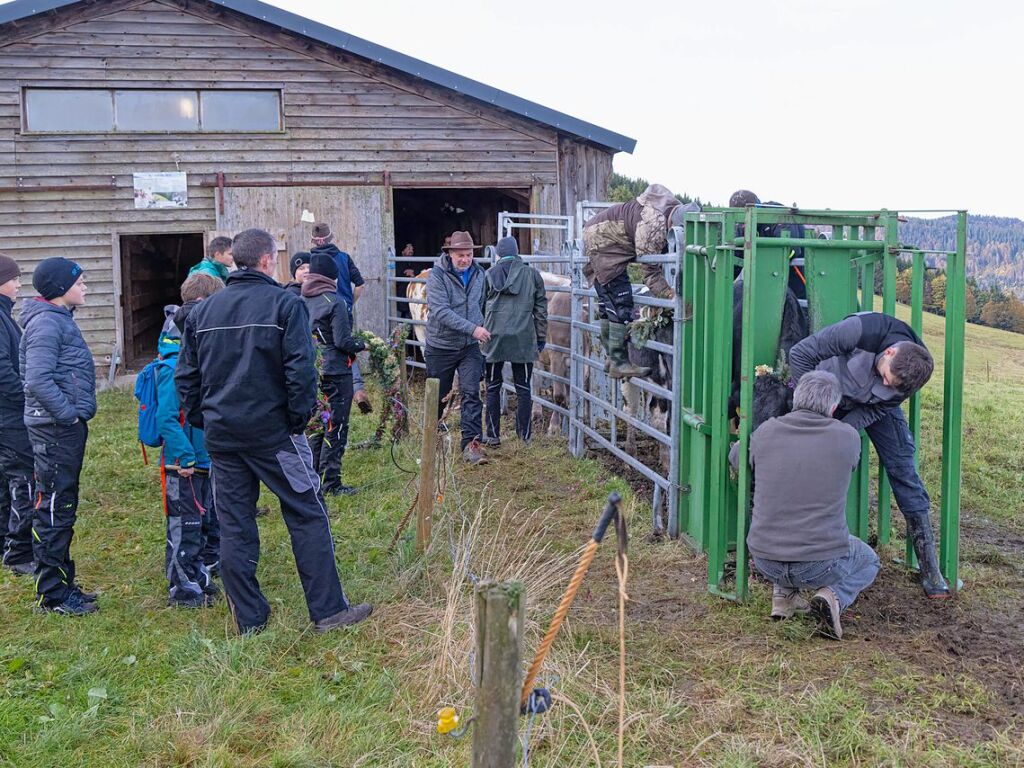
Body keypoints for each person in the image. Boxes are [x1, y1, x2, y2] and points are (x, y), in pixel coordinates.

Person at [175, 228, 371, 635]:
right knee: (307, 512)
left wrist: (204, 420)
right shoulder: (285, 304)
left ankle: (250, 618)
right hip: (273, 434)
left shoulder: (205, 311)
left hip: (224, 436)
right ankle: (328, 610)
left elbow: (187, 379)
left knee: (234, 524)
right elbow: (300, 371)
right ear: (267, 260)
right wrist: (296, 421)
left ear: (235, 260)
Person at [788, 311, 947, 599]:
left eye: (892, 386)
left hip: (870, 408)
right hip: (827, 393)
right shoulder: (859, 331)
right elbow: (801, 354)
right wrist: (811, 414)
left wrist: (844, 431)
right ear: (888, 352)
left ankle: (931, 571)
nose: (887, 385)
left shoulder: (908, 377)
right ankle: (800, 556)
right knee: (806, 458)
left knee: (904, 469)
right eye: (887, 378)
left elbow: (877, 407)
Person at [739, 371, 879, 640]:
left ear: (794, 398)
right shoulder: (848, 437)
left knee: (786, 518)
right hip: (819, 565)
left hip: (764, 559)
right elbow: (852, 463)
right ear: (834, 407)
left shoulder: (766, 431)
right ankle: (832, 596)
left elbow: (738, 458)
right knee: (869, 560)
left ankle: (783, 597)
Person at [20, 257, 97, 616]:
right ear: (59, 288)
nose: (85, 286)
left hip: (61, 428)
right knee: (53, 508)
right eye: (79, 281)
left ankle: (62, 582)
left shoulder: (59, 319)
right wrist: (68, 415)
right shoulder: (48, 324)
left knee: (62, 502)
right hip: (54, 429)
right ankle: (53, 595)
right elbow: (37, 379)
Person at [155, 279, 223, 608]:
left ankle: (196, 574)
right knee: (185, 524)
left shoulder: (195, 353)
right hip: (183, 464)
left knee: (201, 520)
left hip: (202, 457)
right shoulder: (172, 366)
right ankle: (181, 589)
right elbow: (167, 418)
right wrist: (184, 456)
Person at [583, 183, 679, 378]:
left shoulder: (663, 208)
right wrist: (669, 294)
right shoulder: (654, 224)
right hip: (607, 246)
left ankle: (612, 356)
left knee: (607, 304)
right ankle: (620, 362)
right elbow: (650, 271)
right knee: (622, 302)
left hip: (599, 237)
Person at [171, 274, 223, 576]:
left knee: (204, 501)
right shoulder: (194, 329)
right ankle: (188, 571)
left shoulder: (179, 325)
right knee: (194, 505)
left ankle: (206, 557)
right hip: (194, 436)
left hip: (200, 429)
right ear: (204, 302)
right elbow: (185, 383)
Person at [302, 252, 365, 495]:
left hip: (313, 369)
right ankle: (332, 482)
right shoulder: (334, 301)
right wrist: (362, 344)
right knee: (336, 425)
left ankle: (313, 477)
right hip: (337, 371)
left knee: (317, 423)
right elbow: (342, 341)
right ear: (332, 277)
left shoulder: (302, 299)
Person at [425, 230, 489, 463]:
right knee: (439, 395)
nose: (465, 259)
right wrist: (473, 328)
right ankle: (430, 437)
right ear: (450, 253)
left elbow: (483, 304)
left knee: (472, 392)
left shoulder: (480, 274)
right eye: (460, 255)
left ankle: (471, 446)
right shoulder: (437, 276)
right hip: (441, 345)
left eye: (469, 254)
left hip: (469, 346)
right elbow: (441, 311)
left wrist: (481, 324)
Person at [481, 236, 547, 446]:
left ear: (498, 254)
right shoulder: (532, 275)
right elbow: (541, 310)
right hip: (523, 337)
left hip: (493, 338)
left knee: (492, 386)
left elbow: (480, 305)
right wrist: (541, 336)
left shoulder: (489, 274)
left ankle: (492, 435)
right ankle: (524, 436)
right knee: (523, 387)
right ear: (517, 251)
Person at [310, 224, 371, 414]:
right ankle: (357, 388)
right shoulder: (344, 258)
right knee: (345, 345)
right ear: (331, 238)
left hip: (318, 311)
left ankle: (323, 395)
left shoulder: (311, 260)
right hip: (343, 309)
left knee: (321, 349)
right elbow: (359, 284)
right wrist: (349, 304)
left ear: (315, 241)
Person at [0, 254, 33, 577]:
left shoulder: (4, 315)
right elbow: (3, 370)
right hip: (9, 416)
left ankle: (5, 543)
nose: (18, 285)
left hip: (6, 414)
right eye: (14, 279)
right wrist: (26, 397)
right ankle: (20, 552)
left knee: (5, 479)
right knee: (23, 478)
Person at [728, 189, 807, 299]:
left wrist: (762, 267)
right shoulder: (742, 226)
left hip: (796, 273)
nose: (742, 226)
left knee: (800, 306)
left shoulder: (777, 215)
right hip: (769, 276)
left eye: (743, 221)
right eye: (740, 221)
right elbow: (737, 257)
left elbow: (790, 250)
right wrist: (724, 278)